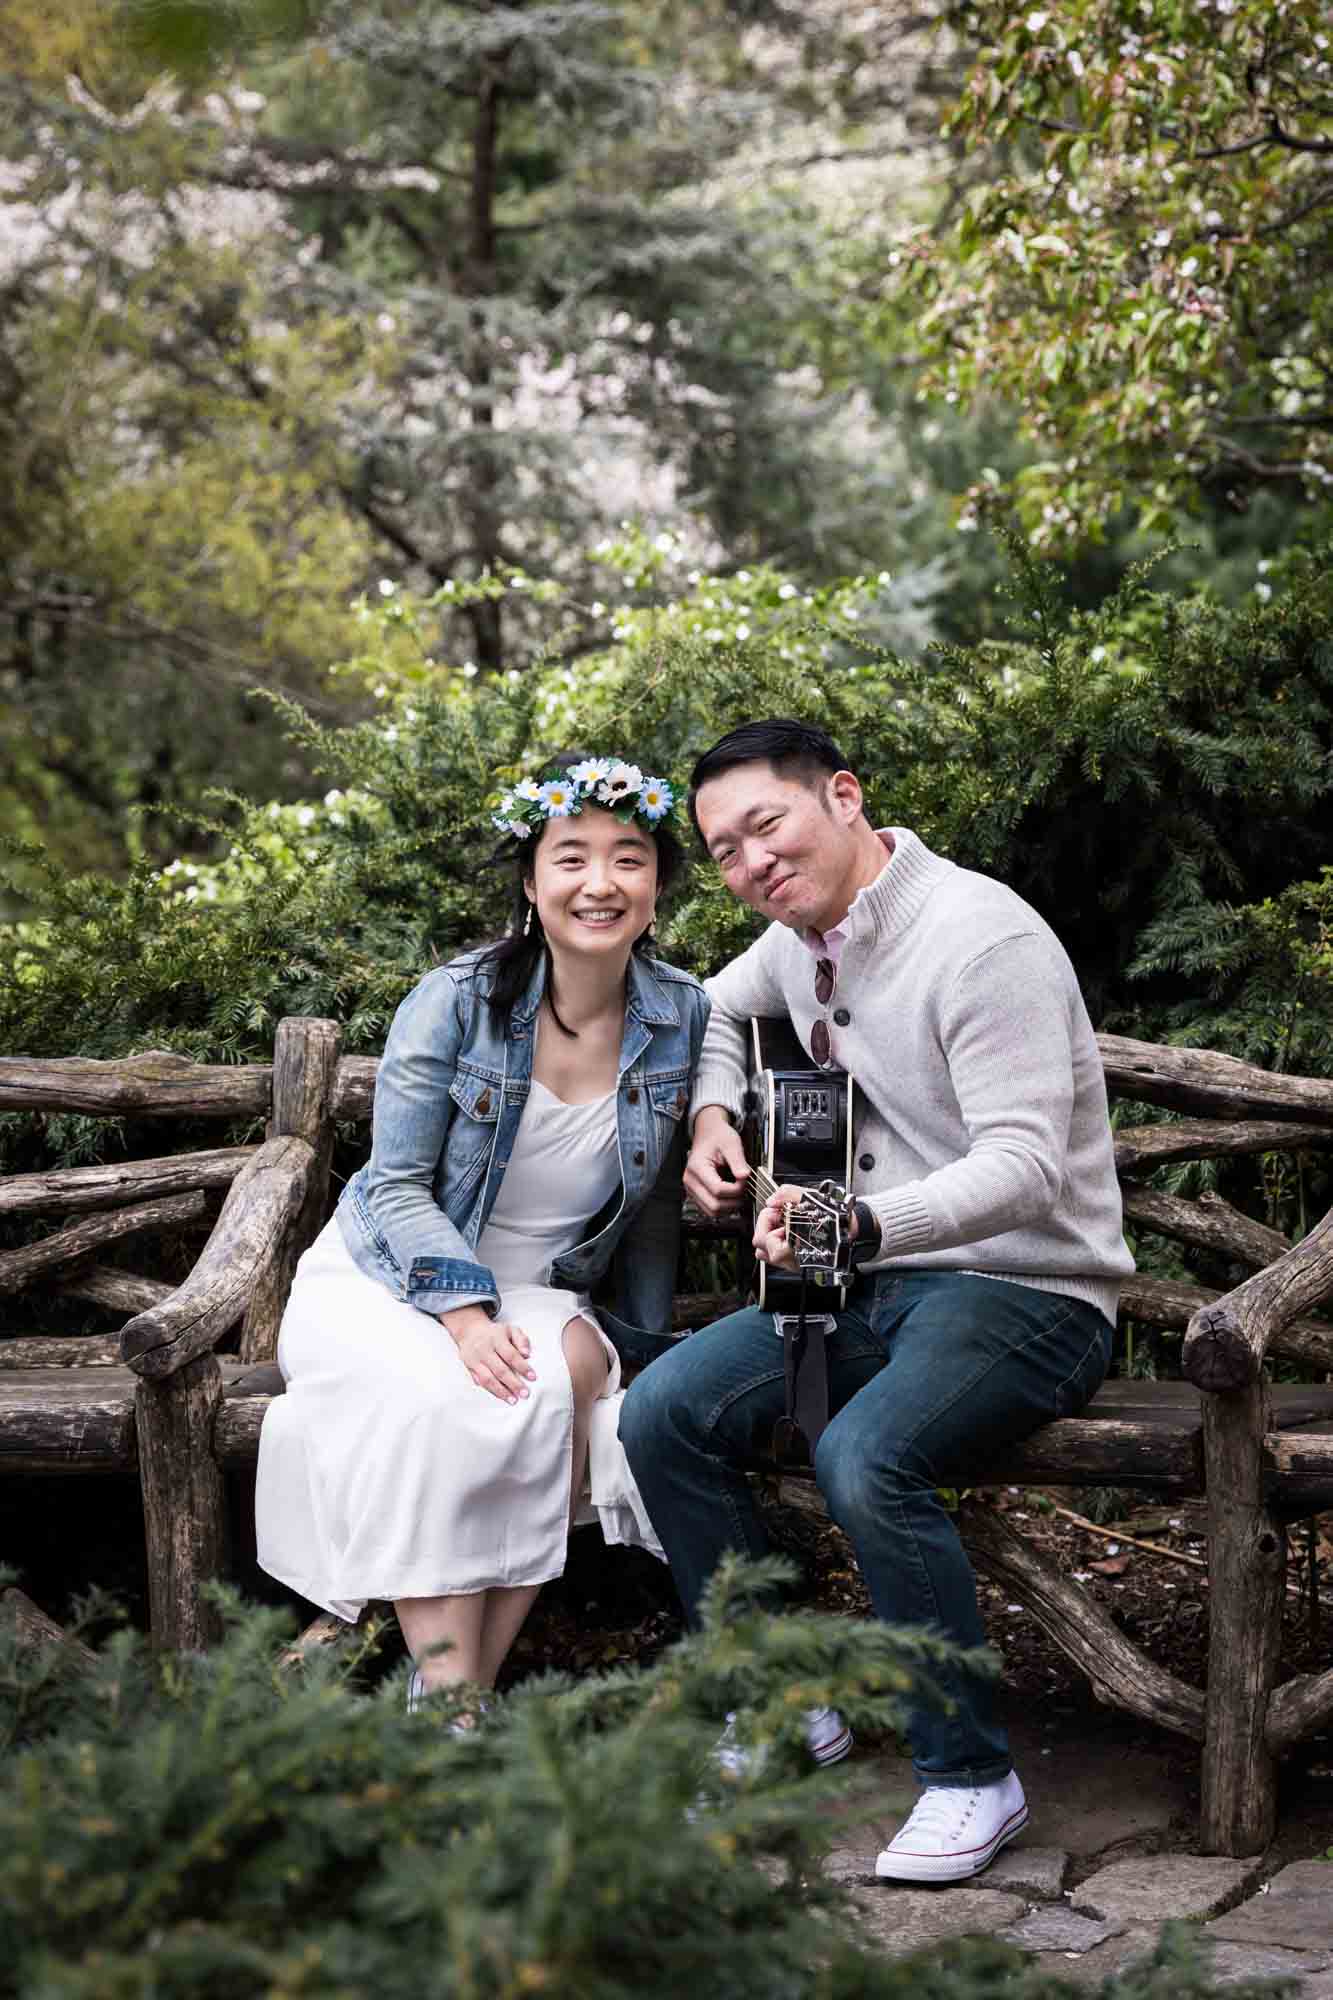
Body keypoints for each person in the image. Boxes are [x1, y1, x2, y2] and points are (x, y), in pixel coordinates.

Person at [619, 719, 1133, 1881]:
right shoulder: (799, 938)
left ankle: (968, 1775)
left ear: (843, 796)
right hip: (868, 1281)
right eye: (725, 849)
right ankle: (778, 1700)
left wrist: (856, 1222)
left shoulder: (979, 938)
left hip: (1034, 1288)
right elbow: (710, 1010)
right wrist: (712, 1118)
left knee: (865, 1453)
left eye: (767, 824)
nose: (750, 861)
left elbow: (1024, 1168)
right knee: (658, 1413)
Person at [256, 754, 708, 1712]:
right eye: (571, 857)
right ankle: (458, 1709)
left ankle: (449, 1708)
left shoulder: (680, 1015)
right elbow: (395, 1186)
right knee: (442, 1399)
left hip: (541, 1286)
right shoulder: (457, 998)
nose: (600, 883)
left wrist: (646, 1343)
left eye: (629, 859)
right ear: (531, 880)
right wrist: (462, 1312)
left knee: (556, 1393)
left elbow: (656, 1207)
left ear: (659, 883)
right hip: (387, 1275)